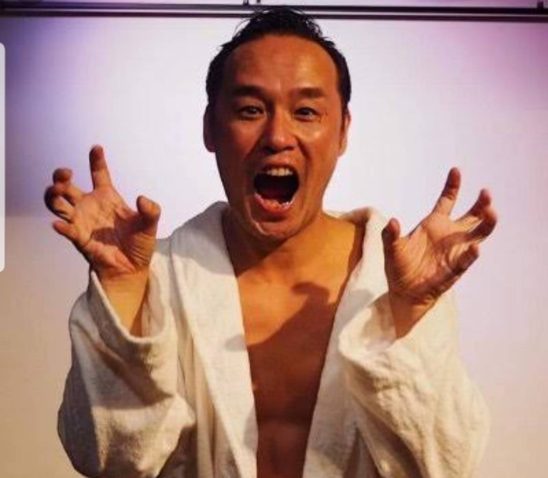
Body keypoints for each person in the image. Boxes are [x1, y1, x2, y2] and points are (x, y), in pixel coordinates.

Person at [44, 7, 497, 478]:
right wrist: (122, 287)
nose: (278, 136)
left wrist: (408, 313)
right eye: (250, 110)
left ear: (342, 130)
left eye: (306, 112)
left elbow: (445, 465)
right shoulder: (156, 282)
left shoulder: (393, 283)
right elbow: (109, 458)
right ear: (210, 128)